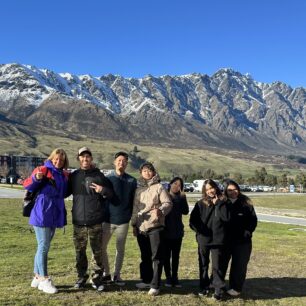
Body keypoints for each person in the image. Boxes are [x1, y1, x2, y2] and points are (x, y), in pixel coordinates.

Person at [67, 147, 116, 292]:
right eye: (82, 157)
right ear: (78, 159)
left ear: (91, 159)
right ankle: (81, 277)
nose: (85, 159)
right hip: (78, 221)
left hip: (95, 221)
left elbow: (111, 194)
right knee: (80, 252)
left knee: (97, 252)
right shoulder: (74, 176)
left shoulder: (99, 175)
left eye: (88, 156)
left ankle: (96, 279)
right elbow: (64, 191)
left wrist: (103, 190)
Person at [23, 148, 69, 294]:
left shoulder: (64, 174)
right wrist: (37, 178)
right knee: (43, 246)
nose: (58, 161)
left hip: (54, 212)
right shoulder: (43, 169)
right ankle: (44, 279)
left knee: (43, 246)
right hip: (42, 211)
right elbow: (27, 185)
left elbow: (65, 191)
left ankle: (37, 276)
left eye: (61, 160)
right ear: (51, 158)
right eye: (56, 159)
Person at [131, 162, 172, 296]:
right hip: (141, 227)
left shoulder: (159, 187)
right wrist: (133, 224)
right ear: (141, 173)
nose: (147, 173)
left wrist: (160, 210)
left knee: (156, 257)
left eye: (149, 170)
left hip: (155, 226)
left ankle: (155, 284)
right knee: (145, 256)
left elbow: (167, 203)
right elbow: (135, 208)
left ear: (153, 172)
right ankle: (146, 280)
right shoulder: (138, 190)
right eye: (144, 171)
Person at [189, 179, 230, 300]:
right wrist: (199, 231)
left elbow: (226, 218)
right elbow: (192, 221)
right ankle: (204, 286)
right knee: (203, 264)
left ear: (216, 187)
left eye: (211, 188)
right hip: (204, 239)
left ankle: (218, 289)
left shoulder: (224, 202)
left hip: (218, 240)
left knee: (217, 266)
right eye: (207, 189)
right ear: (204, 191)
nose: (210, 191)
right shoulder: (200, 203)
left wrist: (218, 204)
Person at [101, 151, 137, 286]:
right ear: (115, 162)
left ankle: (117, 274)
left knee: (120, 249)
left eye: (124, 161)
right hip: (107, 219)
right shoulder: (108, 179)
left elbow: (133, 201)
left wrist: (132, 219)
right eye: (119, 160)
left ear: (127, 164)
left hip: (123, 221)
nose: (121, 162)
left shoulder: (132, 181)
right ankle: (106, 273)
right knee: (102, 247)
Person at [221, 179, 257, 297]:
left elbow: (253, 220)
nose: (233, 192)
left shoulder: (246, 203)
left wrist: (248, 232)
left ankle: (235, 288)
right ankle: (218, 284)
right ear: (225, 191)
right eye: (230, 190)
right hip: (225, 240)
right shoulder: (222, 203)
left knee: (239, 266)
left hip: (242, 242)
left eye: (235, 189)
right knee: (221, 264)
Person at [163, 177, 189, 287]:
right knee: (166, 256)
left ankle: (175, 277)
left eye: (179, 185)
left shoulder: (181, 197)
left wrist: (183, 198)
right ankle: (168, 277)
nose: (176, 186)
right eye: (174, 183)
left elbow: (186, 211)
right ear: (170, 184)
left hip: (177, 231)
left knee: (176, 256)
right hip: (165, 231)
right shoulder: (164, 196)